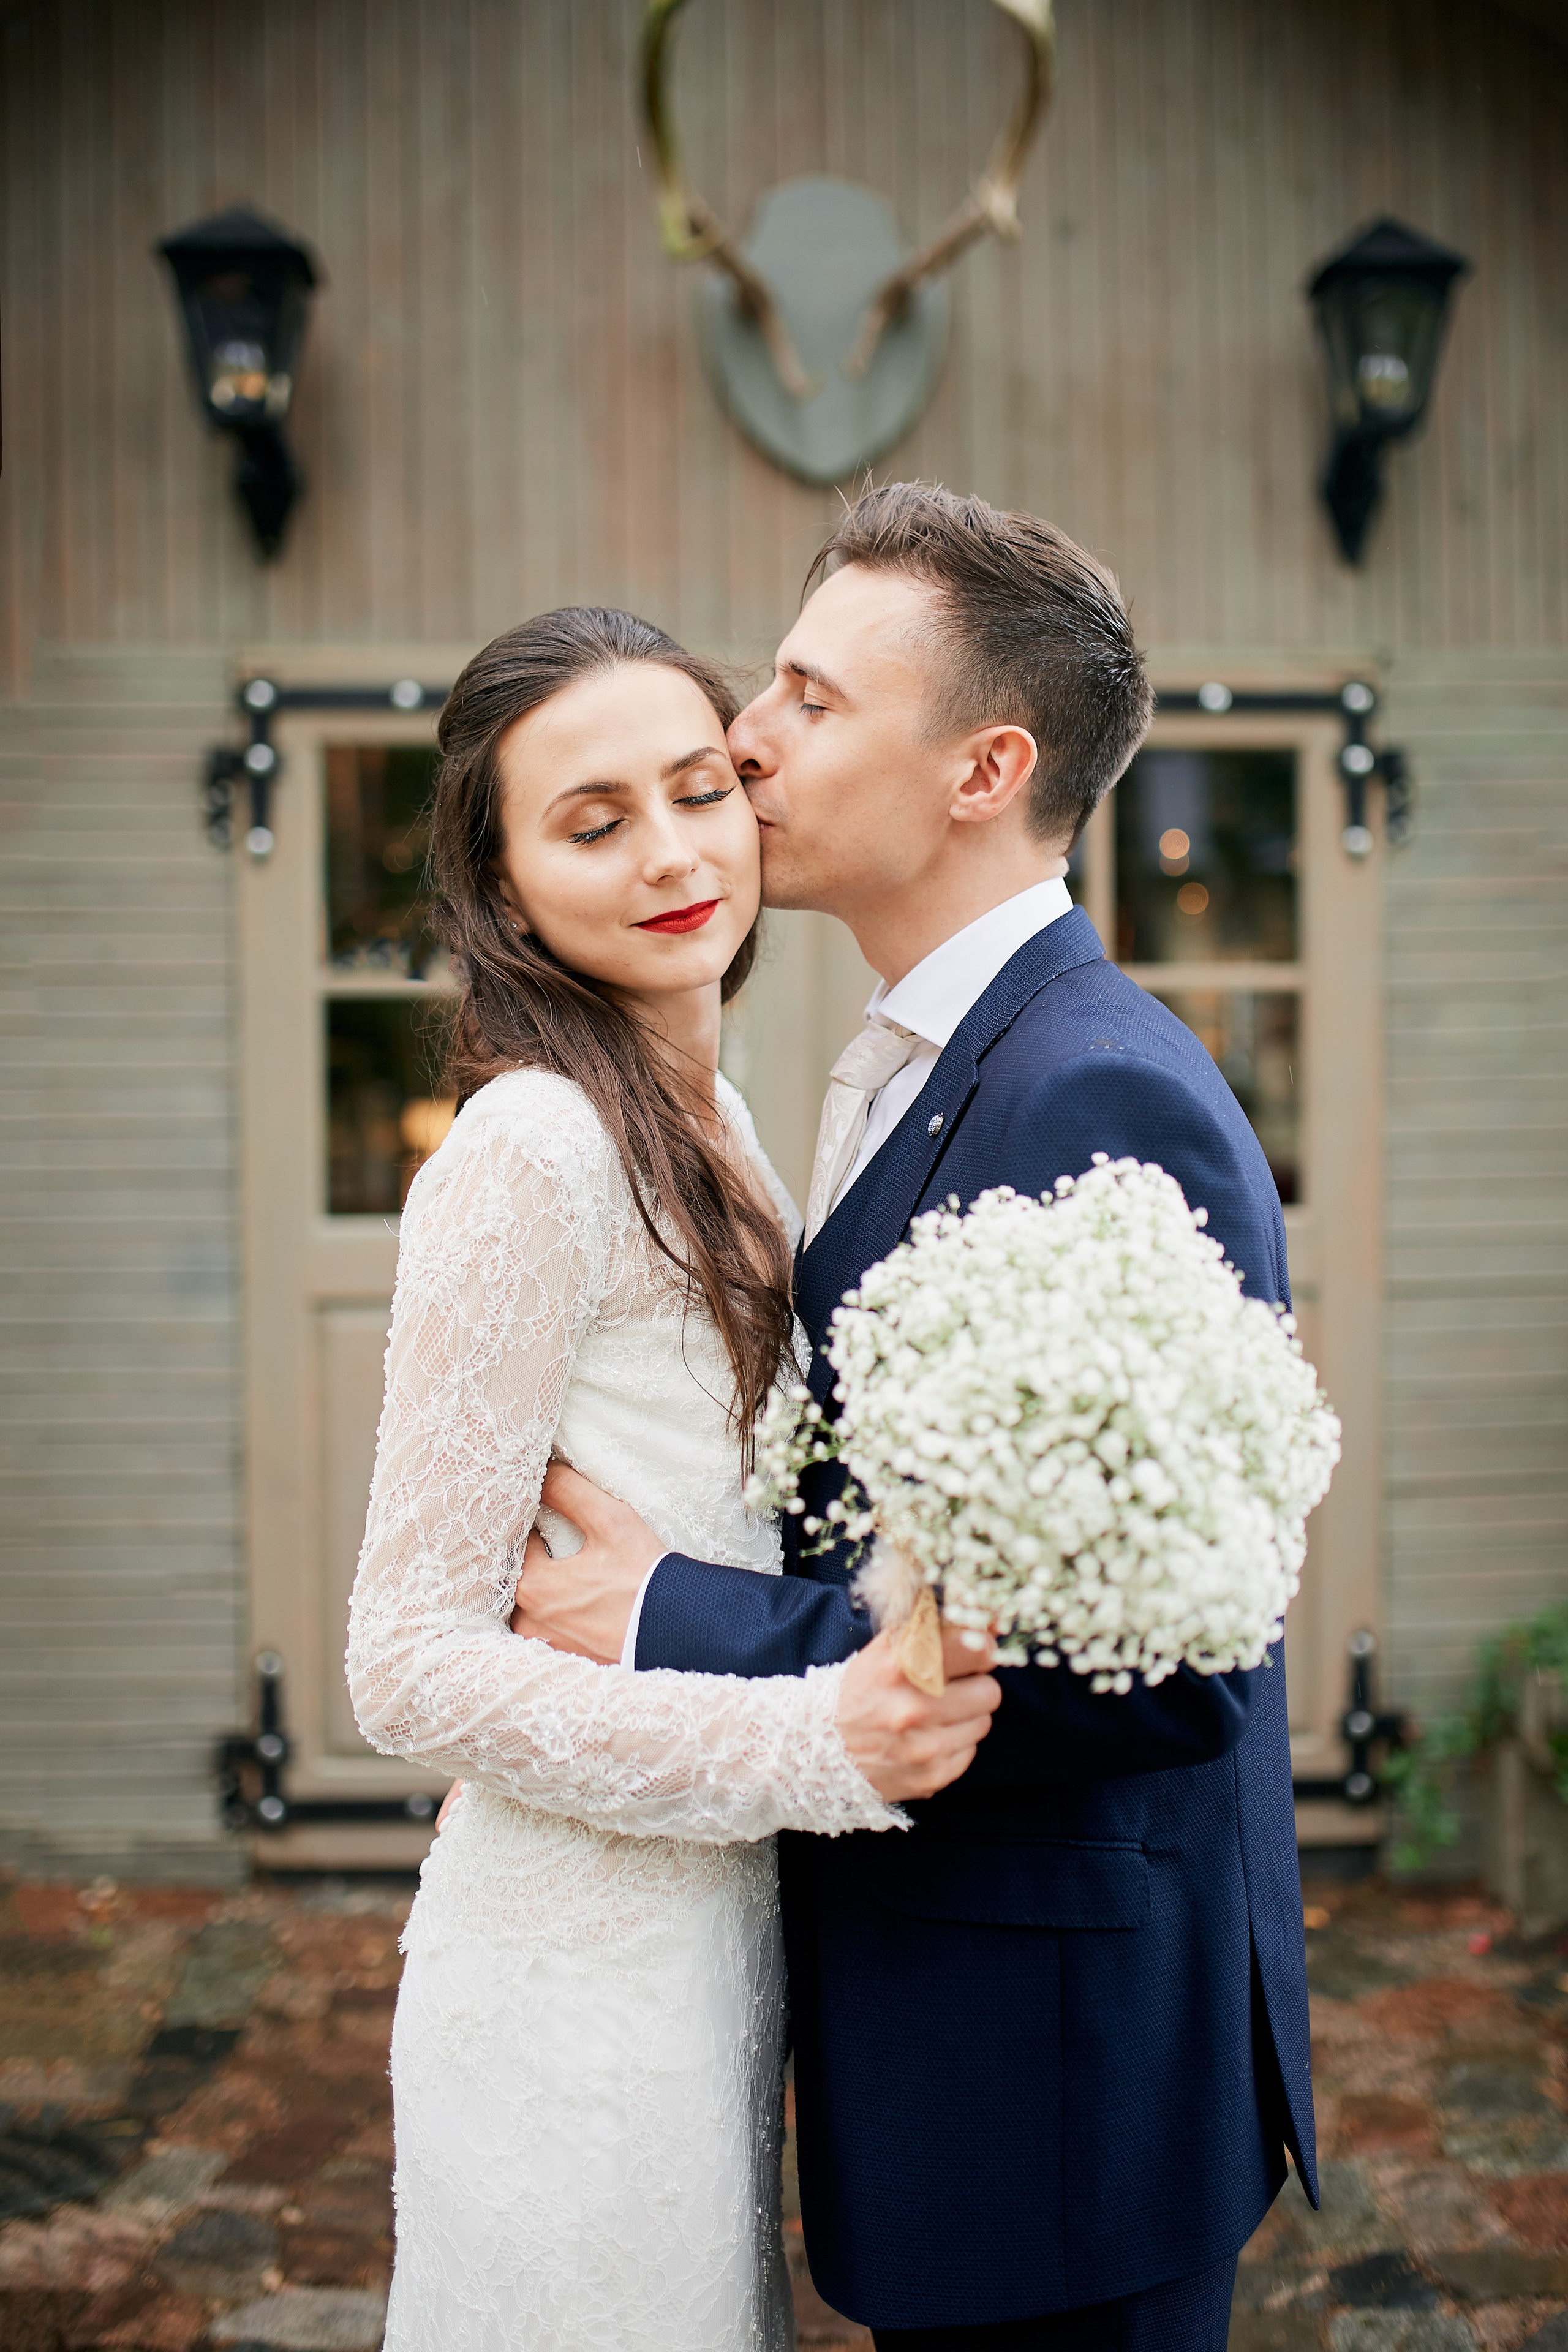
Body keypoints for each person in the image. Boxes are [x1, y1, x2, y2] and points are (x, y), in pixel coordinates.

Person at [512, 486, 1319, 2351]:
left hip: (1055, 2074)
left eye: (808, 696)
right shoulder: (929, 1057)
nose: (744, 738)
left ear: (985, 768)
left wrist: (672, 1619)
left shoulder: (1094, 1094)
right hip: (979, 2031)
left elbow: (1159, 1664)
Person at [345, 605, 1001, 2352]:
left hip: (712, 1939)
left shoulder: (714, 1121)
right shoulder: (532, 1146)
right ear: (500, 884)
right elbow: (402, 1661)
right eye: (591, 821)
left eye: (699, 789)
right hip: (572, 1974)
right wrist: (816, 1737)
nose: (669, 855)